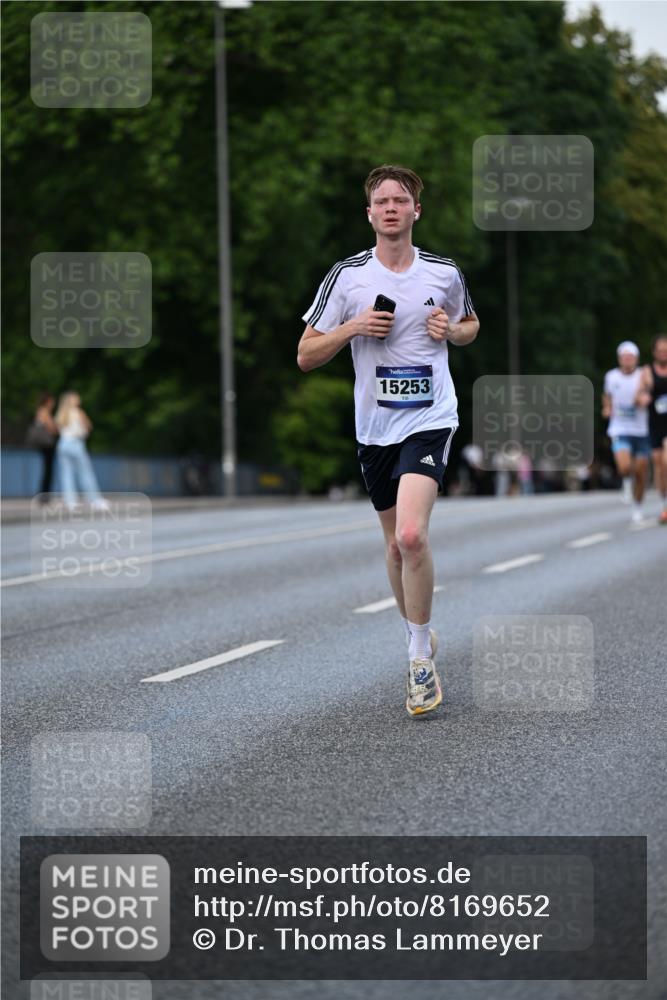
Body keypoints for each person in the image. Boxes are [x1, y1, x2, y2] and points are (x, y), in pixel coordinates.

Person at [298, 165, 479, 717]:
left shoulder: (443, 272)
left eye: (402, 200)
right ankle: (416, 630)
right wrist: (353, 328)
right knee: (394, 544)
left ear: (416, 211)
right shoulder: (347, 277)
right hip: (374, 427)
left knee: (411, 535)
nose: (393, 208)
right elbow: (306, 355)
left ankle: (419, 659)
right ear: (370, 213)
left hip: (431, 417)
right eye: (383, 201)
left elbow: (472, 324)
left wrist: (451, 330)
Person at [602, 341, 651, 523]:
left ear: (636, 359)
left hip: (641, 430)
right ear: (620, 359)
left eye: (631, 357)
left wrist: (643, 398)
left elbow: (648, 394)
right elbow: (607, 396)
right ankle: (626, 482)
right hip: (620, 428)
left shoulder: (643, 375)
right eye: (624, 357)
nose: (627, 360)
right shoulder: (612, 376)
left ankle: (637, 507)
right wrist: (607, 408)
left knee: (641, 471)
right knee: (623, 465)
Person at [54, 392, 109, 511]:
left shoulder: (61, 414)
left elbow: (57, 430)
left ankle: (70, 502)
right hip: (76, 443)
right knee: (86, 473)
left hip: (63, 444)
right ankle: (95, 500)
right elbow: (88, 427)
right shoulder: (79, 412)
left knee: (66, 474)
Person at [637, 334, 667, 524]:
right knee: (659, 465)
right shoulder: (647, 372)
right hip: (655, 424)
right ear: (654, 352)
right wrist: (643, 397)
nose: (664, 353)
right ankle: (664, 504)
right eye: (661, 350)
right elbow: (638, 396)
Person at [29, 392, 59, 500]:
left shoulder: (40, 411)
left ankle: (44, 495)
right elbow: (53, 428)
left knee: (47, 469)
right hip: (47, 444)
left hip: (43, 444)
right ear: (48, 401)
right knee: (48, 470)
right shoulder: (44, 411)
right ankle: (44, 496)